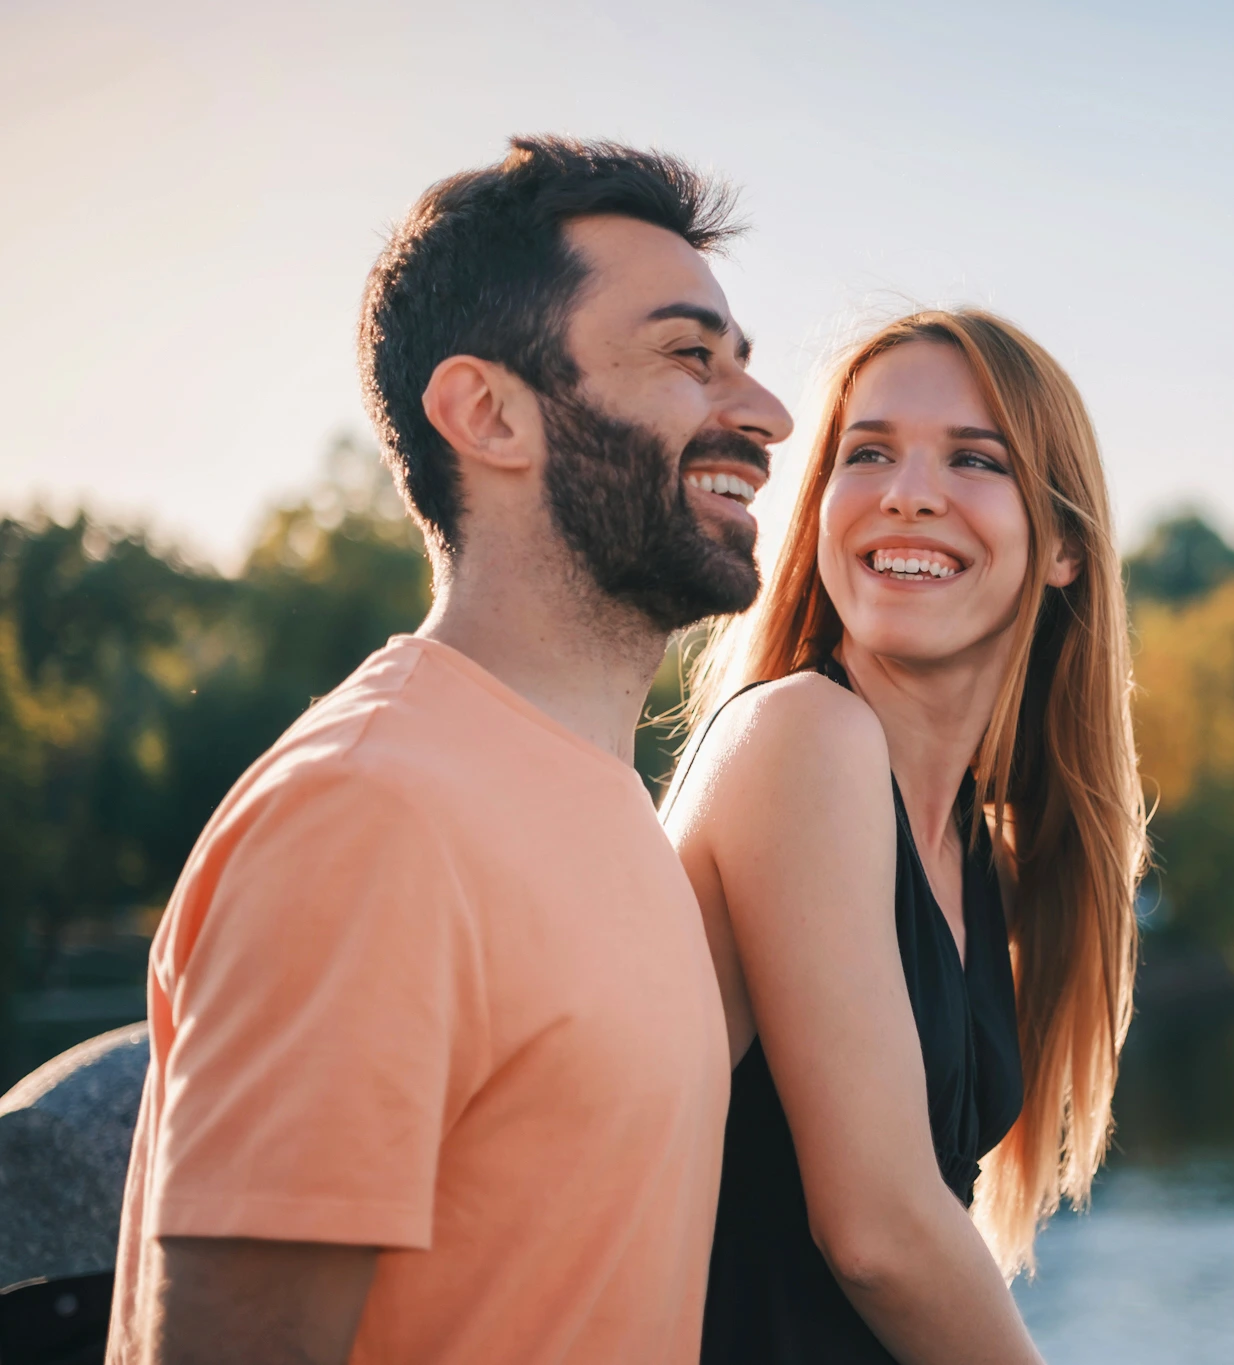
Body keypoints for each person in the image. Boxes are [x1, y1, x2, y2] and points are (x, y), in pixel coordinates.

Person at [107, 136, 792, 1365]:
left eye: (742, 363)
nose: (767, 415)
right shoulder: (372, 815)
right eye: (691, 357)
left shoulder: (597, 805)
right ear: (489, 414)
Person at [662, 309, 1147, 1363]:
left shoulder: (975, 845)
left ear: (1063, 547)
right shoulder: (802, 734)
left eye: (973, 460)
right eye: (867, 452)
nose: (907, 491)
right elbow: (877, 1236)